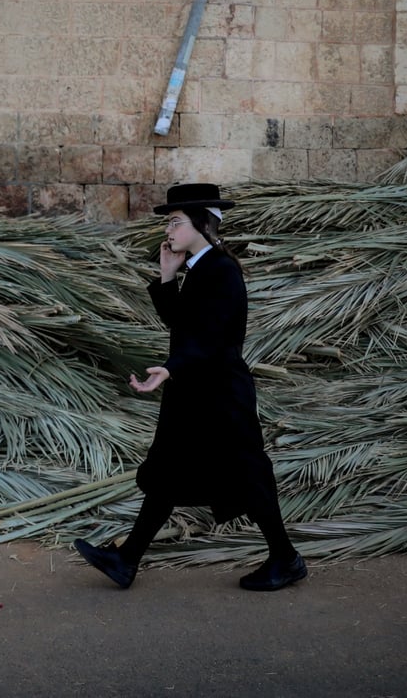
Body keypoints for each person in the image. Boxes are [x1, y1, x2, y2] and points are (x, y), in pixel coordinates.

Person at [74, 183, 306, 591]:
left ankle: (285, 559)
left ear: (202, 224)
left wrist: (170, 367)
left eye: (176, 223)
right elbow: (183, 326)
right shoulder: (201, 268)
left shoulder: (221, 270)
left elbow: (213, 337)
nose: (169, 231)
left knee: (250, 476)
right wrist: (166, 279)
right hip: (198, 393)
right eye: (169, 224)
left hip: (219, 396)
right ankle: (126, 560)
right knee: (169, 473)